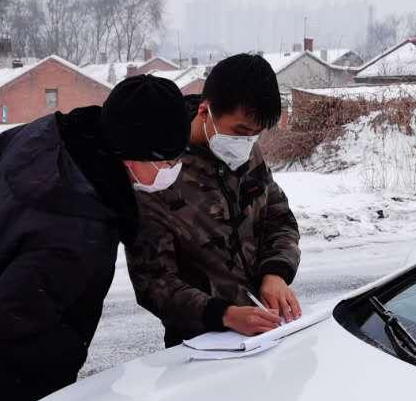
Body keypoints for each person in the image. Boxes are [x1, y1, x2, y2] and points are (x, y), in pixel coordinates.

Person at [0, 75, 190, 401]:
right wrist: (70, 361)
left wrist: (7, 224)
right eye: (166, 160)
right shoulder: (76, 229)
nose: (172, 169)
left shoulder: (46, 136)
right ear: (129, 151)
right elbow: (9, 318)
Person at [127, 53, 302, 347]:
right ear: (205, 111)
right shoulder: (158, 169)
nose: (247, 142)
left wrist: (276, 272)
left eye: (256, 135)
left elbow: (279, 218)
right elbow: (154, 283)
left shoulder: (246, 153)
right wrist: (225, 315)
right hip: (202, 346)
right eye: (241, 132)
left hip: (267, 330)